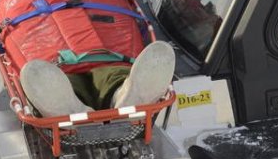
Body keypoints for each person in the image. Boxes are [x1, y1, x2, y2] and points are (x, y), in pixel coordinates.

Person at [19, 41, 176, 117]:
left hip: (58, 65)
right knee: (115, 76)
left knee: (59, 82)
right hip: (111, 55)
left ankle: (72, 111)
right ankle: (121, 95)